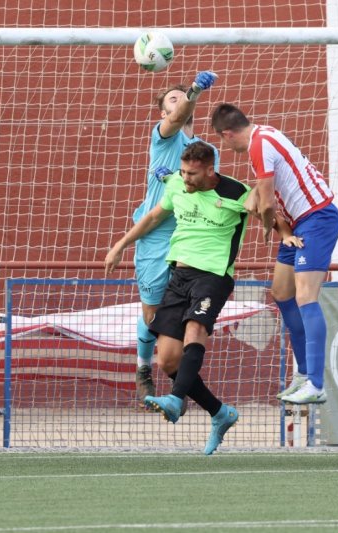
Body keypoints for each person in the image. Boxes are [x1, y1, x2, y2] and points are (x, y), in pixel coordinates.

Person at [105, 141, 250, 455]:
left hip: (213, 276)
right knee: (168, 359)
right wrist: (120, 245)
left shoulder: (237, 192)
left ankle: (175, 398)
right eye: (182, 172)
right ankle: (220, 413)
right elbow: (152, 217)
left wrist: (281, 229)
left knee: (195, 330)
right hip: (179, 276)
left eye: (192, 173)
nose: (185, 178)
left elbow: (267, 209)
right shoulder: (176, 184)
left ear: (210, 170)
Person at [211, 103, 338, 405]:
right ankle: (303, 373)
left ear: (228, 134)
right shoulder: (266, 133)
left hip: (318, 218)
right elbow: (259, 198)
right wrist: (265, 211)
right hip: (298, 226)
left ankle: (317, 384)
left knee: (306, 297)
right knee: (282, 293)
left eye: (222, 139)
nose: (224, 145)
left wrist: (268, 226)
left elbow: (267, 205)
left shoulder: (259, 145)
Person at [132, 71, 219, 407]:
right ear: (163, 113)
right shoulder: (163, 136)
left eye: (181, 96)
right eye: (172, 98)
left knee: (182, 313)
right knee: (153, 314)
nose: (178, 99)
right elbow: (180, 114)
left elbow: (210, 194)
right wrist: (193, 91)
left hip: (188, 238)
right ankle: (143, 366)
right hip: (154, 236)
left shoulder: (206, 151)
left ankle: (177, 383)